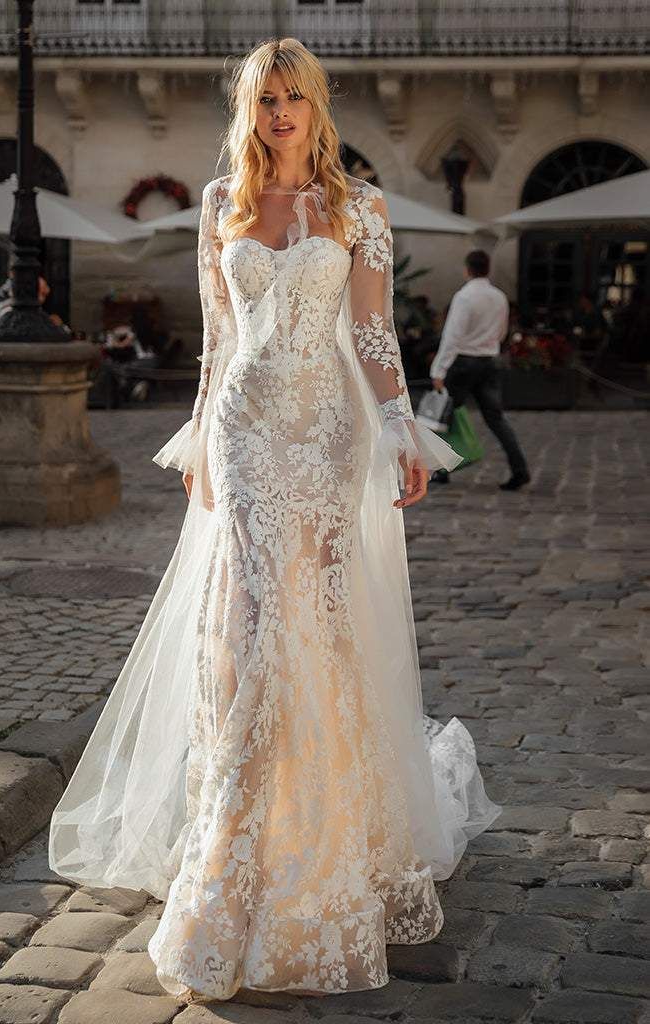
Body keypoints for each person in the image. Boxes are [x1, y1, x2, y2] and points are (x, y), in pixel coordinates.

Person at [48, 37, 500, 1001]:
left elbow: (375, 337)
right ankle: (228, 847)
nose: (281, 115)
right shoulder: (221, 205)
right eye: (266, 101)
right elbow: (217, 347)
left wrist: (399, 436)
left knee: (322, 630)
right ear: (248, 111)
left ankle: (324, 831)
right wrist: (202, 444)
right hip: (249, 431)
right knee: (248, 625)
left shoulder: (358, 206)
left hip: (331, 438)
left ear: (318, 107)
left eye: (294, 99)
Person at [430, 250, 530, 491]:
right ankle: (520, 469)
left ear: (467, 269)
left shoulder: (464, 297)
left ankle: (441, 469)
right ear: (488, 268)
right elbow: (502, 332)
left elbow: (452, 336)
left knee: (443, 416)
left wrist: (438, 369)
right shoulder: (499, 297)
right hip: (489, 362)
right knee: (496, 419)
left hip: (464, 362)